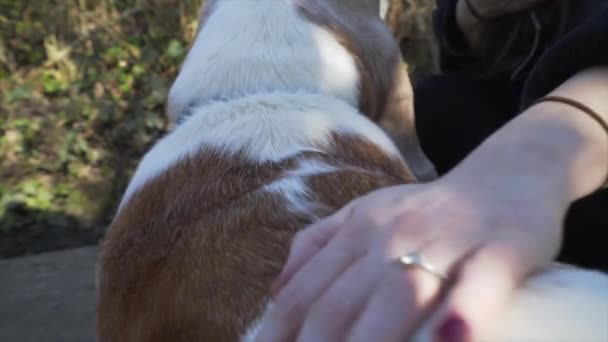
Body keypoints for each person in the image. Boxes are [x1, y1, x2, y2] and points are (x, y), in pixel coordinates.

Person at [256, 0, 608, 341]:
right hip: (511, 110)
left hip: (573, 148)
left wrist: (528, 161)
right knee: (431, 105)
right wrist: (474, 13)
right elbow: (463, 60)